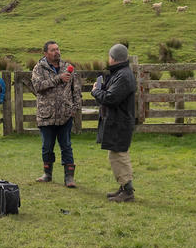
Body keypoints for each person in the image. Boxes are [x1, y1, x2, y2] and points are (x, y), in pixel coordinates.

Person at [31, 40, 83, 186]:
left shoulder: (68, 67)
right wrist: (57, 79)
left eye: (58, 49)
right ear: (46, 53)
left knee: (66, 145)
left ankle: (69, 178)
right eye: (53, 50)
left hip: (65, 115)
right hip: (46, 115)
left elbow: (76, 90)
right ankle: (47, 174)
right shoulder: (38, 69)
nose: (57, 52)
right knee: (47, 146)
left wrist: (75, 109)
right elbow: (38, 86)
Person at [91, 43, 137, 202]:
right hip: (118, 121)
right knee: (116, 155)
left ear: (113, 58)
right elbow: (113, 93)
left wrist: (96, 91)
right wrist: (103, 88)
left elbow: (111, 98)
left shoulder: (123, 75)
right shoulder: (121, 74)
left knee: (119, 155)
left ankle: (128, 191)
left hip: (120, 122)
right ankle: (123, 187)